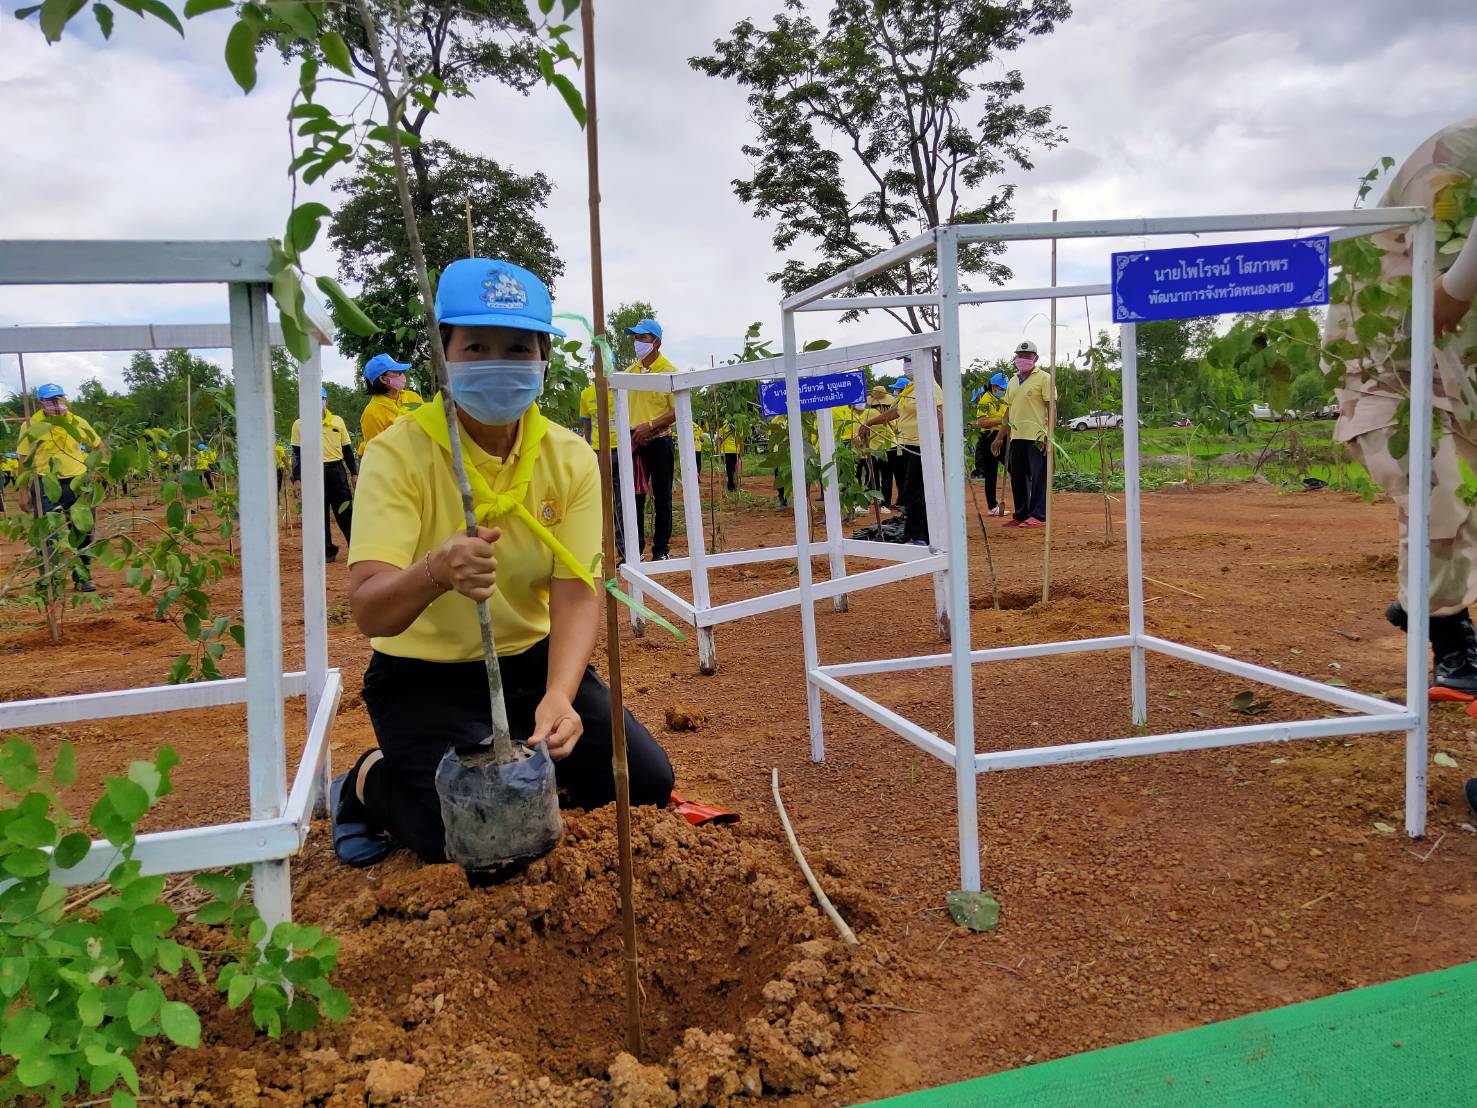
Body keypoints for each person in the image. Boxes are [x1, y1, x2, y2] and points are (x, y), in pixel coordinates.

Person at [334, 257, 674, 868]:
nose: (499, 362)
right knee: (458, 838)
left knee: (644, 784)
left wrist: (561, 695)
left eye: (518, 348)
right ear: (443, 354)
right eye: (476, 346)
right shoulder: (398, 453)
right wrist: (435, 573)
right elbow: (369, 610)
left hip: (531, 665)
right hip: (422, 676)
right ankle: (364, 781)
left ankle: (524, 778)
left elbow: (575, 590)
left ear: (544, 356)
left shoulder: (568, 457)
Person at [1326, 118, 1477, 706]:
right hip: (1391, 350)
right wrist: (1456, 291)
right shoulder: (1452, 157)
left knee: (1460, 495)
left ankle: (1426, 605)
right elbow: (1441, 279)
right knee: (1431, 478)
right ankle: (1448, 633)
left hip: (1459, 359)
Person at [16, 383, 102, 592]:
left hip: (78, 483)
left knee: (83, 531)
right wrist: (23, 491)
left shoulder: (76, 421)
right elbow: (23, 458)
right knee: (47, 534)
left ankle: (83, 577)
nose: (56, 404)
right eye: (50, 399)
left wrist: (97, 469)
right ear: (41, 402)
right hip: (45, 483)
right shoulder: (31, 425)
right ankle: (50, 580)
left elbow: (98, 445)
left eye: (58, 398)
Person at [856, 359, 942, 544]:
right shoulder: (910, 389)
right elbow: (894, 412)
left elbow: (939, 415)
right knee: (910, 490)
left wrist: (938, 442)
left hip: (922, 446)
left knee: (915, 491)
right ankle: (919, 532)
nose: (907, 365)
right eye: (906, 361)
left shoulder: (931, 387)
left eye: (910, 361)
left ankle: (918, 535)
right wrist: (869, 423)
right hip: (906, 446)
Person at [624, 318, 677, 560]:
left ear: (656, 342)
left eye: (642, 338)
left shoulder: (670, 373)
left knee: (662, 496)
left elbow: (678, 411)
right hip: (635, 442)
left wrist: (652, 425)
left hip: (659, 441)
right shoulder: (629, 374)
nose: (637, 342)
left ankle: (661, 550)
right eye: (635, 338)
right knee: (634, 497)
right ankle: (635, 551)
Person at [291, 386, 357, 563]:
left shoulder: (337, 421)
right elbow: (296, 453)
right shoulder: (300, 424)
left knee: (346, 511)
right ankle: (326, 551)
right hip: (312, 472)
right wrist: (297, 479)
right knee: (319, 514)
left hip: (336, 471)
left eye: (321, 398)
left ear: (326, 401)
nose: (318, 402)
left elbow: (347, 450)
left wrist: (354, 473)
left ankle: (357, 549)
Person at [999, 340, 1054, 529]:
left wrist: (1049, 436)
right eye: (1019, 356)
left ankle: (1038, 515)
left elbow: (1051, 408)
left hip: (1037, 436)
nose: (1022, 359)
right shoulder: (1012, 381)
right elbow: (1008, 411)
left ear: (1035, 358)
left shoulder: (1044, 378)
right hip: (1017, 437)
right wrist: (999, 437)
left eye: (1027, 356)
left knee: (1038, 476)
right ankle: (1021, 513)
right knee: (1018, 477)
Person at [359, 352, 424, 447]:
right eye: (396, 372)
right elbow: (378, 451)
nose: (402, 375)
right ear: (383, 379)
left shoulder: (413, 397)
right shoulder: (371, 414)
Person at [974, 372, 1009, 515]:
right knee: (991, 472)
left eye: (1004, 388)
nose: (1002, 390)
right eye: (1000, 388)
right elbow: (981, 422)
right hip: (989, 436)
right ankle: (992, 506)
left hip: (1004, 435)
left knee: (1014, 467)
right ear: (993, 386)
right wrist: (1001, 420)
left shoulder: (1004, 400)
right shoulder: (985, 400)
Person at [862, 384, 896, 507]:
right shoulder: (890, 412)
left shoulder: (868, 413)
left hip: (874, 449)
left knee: (874, 475)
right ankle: (885, 503)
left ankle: (875, 499)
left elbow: (863, 430)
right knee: (887, 476)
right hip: (891, 446)